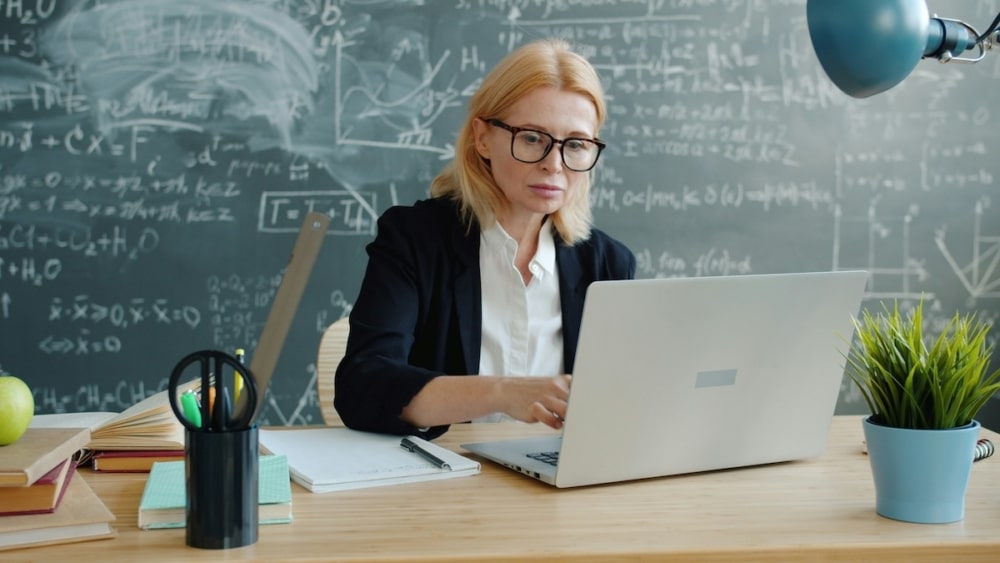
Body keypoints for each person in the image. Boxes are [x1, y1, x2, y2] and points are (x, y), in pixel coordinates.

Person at [334, 38, 635, 439]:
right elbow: (363, 386)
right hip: (443, 484)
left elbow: (620, 408)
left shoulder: (608, 263)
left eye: (575, 145)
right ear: (483, 138)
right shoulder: (414, 239)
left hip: (559, 486)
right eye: (531, 137)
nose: (553, 164)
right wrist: (502, 392)